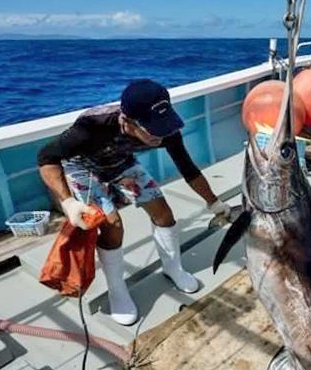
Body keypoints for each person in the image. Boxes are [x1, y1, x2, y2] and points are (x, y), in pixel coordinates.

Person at [37, 79, 230, 326]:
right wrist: (67, 203)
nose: (160, 136)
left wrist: (214, 203)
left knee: (163, 212)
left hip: (121, 163)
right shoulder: (91, 126)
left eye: (164, 125)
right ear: (127, 121)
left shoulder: (165, 130)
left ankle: (173, 269)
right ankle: (118, 291)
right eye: (151, 129)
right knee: (112, 224)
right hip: (83, 167)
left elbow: (188, 168)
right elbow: (46, 157)